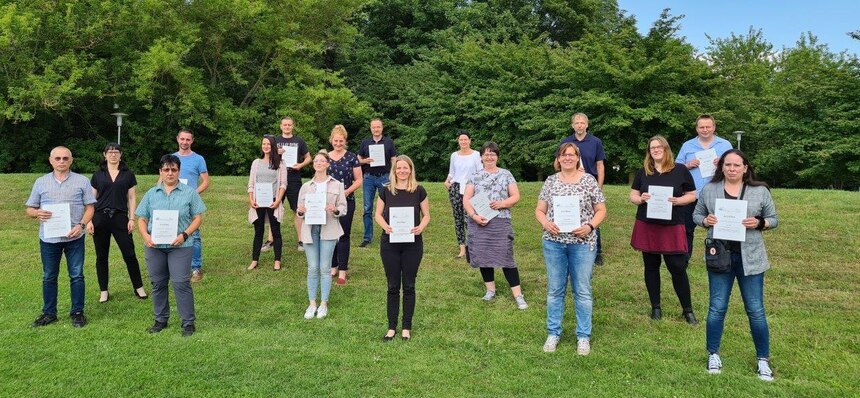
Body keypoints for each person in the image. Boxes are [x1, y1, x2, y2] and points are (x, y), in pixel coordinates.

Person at [693, 149, 778, 381]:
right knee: (717, 307)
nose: (731, 169)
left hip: (750, 258)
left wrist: (760, 223)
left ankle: (763, 359)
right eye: (727, 165)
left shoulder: (759, 191)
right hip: (720, 256)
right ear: (721, 167)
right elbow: (696, 214)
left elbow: (774, 219)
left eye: (736, 165)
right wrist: (705, 220)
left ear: (745, 168)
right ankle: (713, 354)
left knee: (756, 310)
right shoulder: (710, 190)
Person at [535, 143, 606, 354]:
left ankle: (583, 336)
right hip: (554, 242)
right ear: (558, 159)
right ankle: (553, 333)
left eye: (571, 155)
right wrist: (545, 223)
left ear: (578, 158)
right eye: (563, 155)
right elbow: (539, 210)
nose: (567, 158)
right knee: (555, 290)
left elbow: (601, 210)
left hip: (583, 244)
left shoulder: (589, 180)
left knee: (582, 291)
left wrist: (590, 226)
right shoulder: (550, 181)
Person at [628, 136, 698, 324]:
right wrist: (640, 199)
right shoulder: (644, 171)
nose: (656, 150)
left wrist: (678, 200)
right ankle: (656, 307)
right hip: (647, 224)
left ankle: (687, 310)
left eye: (659, 147)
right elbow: (633, 195)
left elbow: (692, 195)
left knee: (677, 267)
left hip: (672, 224)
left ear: (666, 149)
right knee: (651, 266)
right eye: (652, 148)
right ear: (649, 152)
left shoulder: (680, 170)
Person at [136, 154, 206, 337]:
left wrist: (184, 234)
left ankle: (188, 322)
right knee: (158, 283)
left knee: (181, 283)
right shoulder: (152, 193)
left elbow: (197, 217)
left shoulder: (189, 192)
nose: (170, 173)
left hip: (181, 246)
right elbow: (142, 218)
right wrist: (145, 236)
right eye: (166, 169)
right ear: (160, 171)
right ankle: (160, 319)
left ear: (178, 171)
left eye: (173, 169)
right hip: (155, 246)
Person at [26, 146, 96, 328]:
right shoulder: (40, 182)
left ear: (71, 160)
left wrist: (81, 226)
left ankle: (78, 312)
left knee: (77, 275)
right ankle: (49, 313)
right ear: (51, 160)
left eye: (65, 158)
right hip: (49, 240)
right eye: (58, 158)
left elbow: (90, 208)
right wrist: (37, 213)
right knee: (49, 276)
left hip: (74, 238)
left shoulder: (82, 181)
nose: (62, 161)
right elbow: (29, 209)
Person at [462, 142, 526, 309]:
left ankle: (518, 295)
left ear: (497, 156)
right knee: (483, 257)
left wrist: (502, 203)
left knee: (506, 257)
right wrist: (474, 216)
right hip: (479, 222)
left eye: (493, 154)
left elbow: (516, 196)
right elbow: (466, 199)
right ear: (481, 157)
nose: (489, 157)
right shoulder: (474, 175)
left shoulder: (506, 174)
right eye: (486, 154)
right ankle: (490, 290)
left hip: (501, 221)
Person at [375, 155, 430, 341]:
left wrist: (420, 227)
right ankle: (391, 327)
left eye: (406, 168)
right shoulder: (385, 191)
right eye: (399, 168)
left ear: (411, 169)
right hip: (389, 244)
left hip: (412, 245)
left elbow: (427, 215)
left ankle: (406, 327)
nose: (402, 171)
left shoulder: (419, 191)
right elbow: (378, 215)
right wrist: (385, 226)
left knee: (409, 285)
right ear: (394, 170)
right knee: (392, 286)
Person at [87, 143, 147, 303]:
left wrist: (132, 218)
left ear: (121, 155)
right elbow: (90, 200)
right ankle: (104, 291)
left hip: (121, 218)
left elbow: (132, 198)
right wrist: (88, 221)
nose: (113, 155)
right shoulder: (97, 174)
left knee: (129, 254)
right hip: (100, 218)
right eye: (110, 152)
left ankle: (139, 287)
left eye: (116, 152)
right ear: (104, 154)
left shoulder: (128, 175)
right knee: (101, 256)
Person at [297, 150, 347, 319]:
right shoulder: (305, 186)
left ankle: (323, 304)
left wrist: (336, 210)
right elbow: (299, 211)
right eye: (316, 161)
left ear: (327, 164)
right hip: (310, 230)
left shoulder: (337, 185)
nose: (318, 163)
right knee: (312, 268)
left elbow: (343, 208)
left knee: (325, 268)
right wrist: (301, 211)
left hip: (329, 229)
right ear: (313, 165)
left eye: (321, 161)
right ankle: (312, 304)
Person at [675, 114, 733, 261]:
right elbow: (675, 167)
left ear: (714, 128)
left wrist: (724, 163)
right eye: (702, 127)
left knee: (720, 228)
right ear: (697, 128)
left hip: (718, 193)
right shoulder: (687, 146)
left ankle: (721, 257)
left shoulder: (725, 145)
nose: (705, 130)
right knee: (687, 228)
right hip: (692, 193)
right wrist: (688, 165)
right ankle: (684, 259)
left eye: (708, 127)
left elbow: (736, 166)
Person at [559, 113, 606, 265]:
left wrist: (598, 187)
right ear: (572, 125)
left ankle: (597, 252)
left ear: (587, 124)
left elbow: (600, 165)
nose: (579, 125)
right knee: (569, 214)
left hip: (589, 184)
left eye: (582, 123)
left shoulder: (595, 142)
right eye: (576, 123)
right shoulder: (566, 142)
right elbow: (557, 163)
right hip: (569, 185)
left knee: (593, 217)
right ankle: (567, 246)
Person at [327, 125, 363, 285]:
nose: (338, 143)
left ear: (345, 141)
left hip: (347, 201)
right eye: (336, 140)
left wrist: (346, 192)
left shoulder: (352, 157)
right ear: (331, 140)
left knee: (343, 235)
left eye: (341, 140)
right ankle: (333, 266)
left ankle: (343, 270)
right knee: (330, 235)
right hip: (328, 203)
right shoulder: (325, 157)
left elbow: (359, 179)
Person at [173, 129, 210, 282]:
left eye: (188, 139)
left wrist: (193, 194)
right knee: (173, 233)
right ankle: (176, 266)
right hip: (173, 201)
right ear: (177, 139)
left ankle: (196, 268)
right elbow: (162, 179)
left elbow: (206, 182)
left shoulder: (198, 159)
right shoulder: (172, 158)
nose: (184, 142)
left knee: (194, 236)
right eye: (182, 139)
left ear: (192, 141)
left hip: (190, 202)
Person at [247, 136, 287, 271]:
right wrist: (251, 199)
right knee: (258, 231)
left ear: (273, 146)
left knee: (276, 231)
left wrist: (278, 200)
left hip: (273, 201)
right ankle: (254, 260)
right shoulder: (256, 163)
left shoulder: (280, 164)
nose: (265, 146)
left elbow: (283, 184)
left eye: (268, 144)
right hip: (258, 202)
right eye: (263, 144)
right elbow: (251, 183)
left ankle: (277, 260)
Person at [272, 117, 311, 252]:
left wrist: (301, 165)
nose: (287, 127)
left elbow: (308, 157)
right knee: (274, 207)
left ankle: (301, 240)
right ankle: (271, 240)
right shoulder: (275, 141)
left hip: (294, 177)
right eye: (285, 125)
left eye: (289, 125)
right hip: (277, 177)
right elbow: (268, 156)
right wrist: (276, 153)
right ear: (281, 126)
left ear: (293, 126)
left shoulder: (299, 141)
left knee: (297, 209)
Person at [358, 118, 397, 247]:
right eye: (374, 127)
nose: (376, 129)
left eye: (378, 127)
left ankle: (386, 233)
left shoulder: (389, 142)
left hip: (384, 177)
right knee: (367, 208)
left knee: (387, 207)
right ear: (371, 128)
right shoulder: (365, 142)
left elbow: (394, 159)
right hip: (369, 177)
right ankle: (367, 237)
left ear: (382, 128)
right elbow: (359, 158)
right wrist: (365, 161)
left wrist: (393, 175)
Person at [444, 130, 482, 259]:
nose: (463, 142)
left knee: (470, 218)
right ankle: (462, 248)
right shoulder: (454, 155)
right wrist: (447, 181)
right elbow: (452, 173)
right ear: (458, 141)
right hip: (456, 188)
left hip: (471, 188)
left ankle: (473, 247)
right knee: (458, 218)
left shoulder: (476, 155)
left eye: (466, 139)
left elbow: (480, 173)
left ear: (470, 140)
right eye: (461, 139)